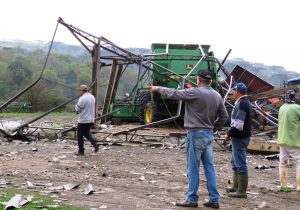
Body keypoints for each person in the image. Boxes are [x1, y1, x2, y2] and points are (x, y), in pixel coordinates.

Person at [149, 70, 228, 209]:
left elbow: (174, 93)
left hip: (195, 134)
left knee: (193, 168)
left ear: (198, 80)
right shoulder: (217, 95)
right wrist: (214, 128)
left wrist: (157, 88)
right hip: (208, 135)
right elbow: (224, 116)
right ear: (210, 81)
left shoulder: (195, 92)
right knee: (209, 168)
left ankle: (191, 199)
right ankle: (214, 200)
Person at [224, 82, 252, 198]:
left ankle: (241, 191)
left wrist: (228, 134)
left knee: (240, 163)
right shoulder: (243, 102)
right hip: (240, 136)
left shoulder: (242, 104)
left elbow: (238, 124)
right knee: (235, 162)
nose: (233, 93)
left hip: (240, 137)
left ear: (237, 91)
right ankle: (235, 187)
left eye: (234, 90)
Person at [277, 90, 300, 192]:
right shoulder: (297, 108)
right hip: (294, 140)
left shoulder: (282, 108)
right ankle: (299, 186)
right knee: (299, 162)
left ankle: (283, 185)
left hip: (282, 139)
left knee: (283, 162)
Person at [75, 84, 99, 155]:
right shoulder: (92, 97)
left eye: (80, 90)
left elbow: (78, 109)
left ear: (82, 90)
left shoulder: (82, 98)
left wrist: (75, 108)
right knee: (86, 133)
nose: (80, 92)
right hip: (91, 119)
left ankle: (81, 151)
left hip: (83, 120)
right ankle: (95, 144)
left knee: (79, 135)